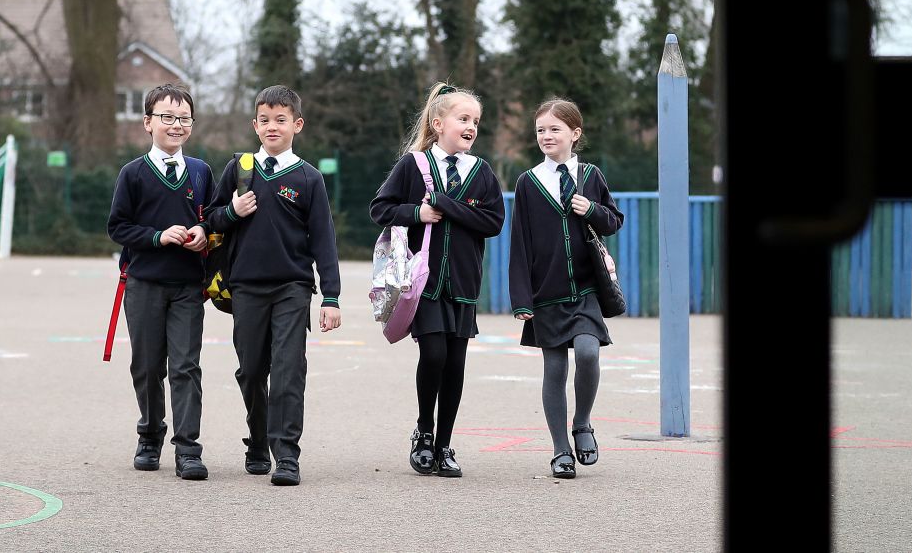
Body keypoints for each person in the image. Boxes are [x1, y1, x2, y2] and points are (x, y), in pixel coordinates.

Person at [204, 85, 342, 486]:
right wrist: (232, 210)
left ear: (297, 125)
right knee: (250, 371)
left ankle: (287, 455)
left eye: (280, 119)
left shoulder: (309, 178)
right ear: (254, 124)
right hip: (244, 286)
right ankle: (258, 439)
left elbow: (324, 241)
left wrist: (330, 297)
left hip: (292, 288)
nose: (271, 126)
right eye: (264, 119)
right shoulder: (238, 168)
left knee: (287, 372)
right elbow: (211, 218)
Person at [369, 82, 504, 477]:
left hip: (463, 283)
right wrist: (417, 214)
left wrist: (445, 205)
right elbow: (381, 208)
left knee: (456, 364)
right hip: (423, 283)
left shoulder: (481, 172)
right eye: (463, 119)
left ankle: (445, 445)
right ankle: (424, 432)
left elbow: (494, 221)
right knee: (434, 356)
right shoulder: (413, 165)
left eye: (476, 121)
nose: (471, 127)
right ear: (438, 122)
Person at [508, 98, 624, 479]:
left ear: (575, 134)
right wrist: (521, 299)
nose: (546, 136)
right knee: (554, 369)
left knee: (589, 353)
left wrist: (590, 209)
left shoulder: (591, 175)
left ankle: (583, 423)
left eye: (555, 129)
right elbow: (520, 245)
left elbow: (613, 220)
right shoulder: (528, 182)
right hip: (546, 294)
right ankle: (560, 451)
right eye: (540, 129)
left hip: (586, 291)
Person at [107, 83, 214, 481]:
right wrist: (156, 237)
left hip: (188, 286)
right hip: (144, 284)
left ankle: (188, 448)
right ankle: (150, 434)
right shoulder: (132, 173)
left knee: (186, 366)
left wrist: (204, 230)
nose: (176, 124)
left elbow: (213, 216)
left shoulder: (202, 171)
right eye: (167, 117)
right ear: (148, 122)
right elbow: (117, 227)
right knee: (148, 366)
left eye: (184, 118)